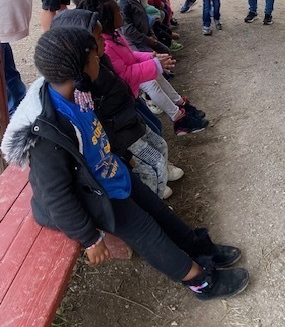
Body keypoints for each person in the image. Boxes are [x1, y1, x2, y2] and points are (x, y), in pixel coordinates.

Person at [0, 27, 249, 300]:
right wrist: (89, 239)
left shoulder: (77, 91)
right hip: (91, 197)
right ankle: (201, 282)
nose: (100, 58)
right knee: (147, 232)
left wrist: (120, 156)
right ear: (78, 68)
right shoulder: (48, 132)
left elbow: (95, 132)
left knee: (159, 212)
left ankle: (199, 248)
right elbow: (57, 196)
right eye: (95, 57)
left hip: (110, 173)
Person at [51, 8, 181, 200]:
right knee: (154, 168)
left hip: (130, 121)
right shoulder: (82, 88)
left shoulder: (101, 61)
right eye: (97, 37)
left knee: (160, 147)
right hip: (121, 137)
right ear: (80, 46)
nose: (103, 39)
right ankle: (155, 203)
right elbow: (98, 125)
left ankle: (156, 194)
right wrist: (123, 153)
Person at [78, 0, 208, 136]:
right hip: (127, 95)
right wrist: (154, 64)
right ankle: (179, 118)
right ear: (108, 19)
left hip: (132, 92)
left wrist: (150, 57)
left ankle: (180, 109)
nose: (122, 14)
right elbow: (125, 74)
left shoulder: (115, 35)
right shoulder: (106, 45)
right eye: (118, 12)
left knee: (156, 120)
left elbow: (130, 55)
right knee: (153, 118)